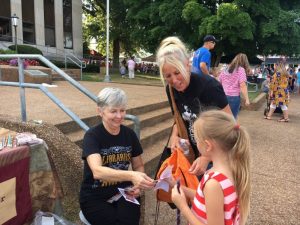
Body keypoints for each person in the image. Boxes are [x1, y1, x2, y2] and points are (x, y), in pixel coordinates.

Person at [156, 36, 232, 176]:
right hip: (192, 153)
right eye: (168, 76)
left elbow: (230, 126)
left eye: (177, 72)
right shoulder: (171, 89)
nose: (174, 80)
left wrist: (207, 157)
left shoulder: (209, 86)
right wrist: (174, 137)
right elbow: (178, 118)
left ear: (187, 65)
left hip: (216, 155)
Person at [79, 87, 155, 225]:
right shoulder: (92, 136)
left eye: (122, 110)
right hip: (94, 196)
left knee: (130, 221)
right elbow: (97, 171)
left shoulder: (129, 134)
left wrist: (137, 185)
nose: (119, 116)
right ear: (100, 112)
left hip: (124, 191)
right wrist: (132, 176)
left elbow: (138, 165)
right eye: (113, 111)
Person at [170, 110, 250, 225]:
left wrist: (182, 206)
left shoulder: (214, 183)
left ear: (207, 145)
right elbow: (204, 198)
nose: (196, 143)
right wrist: (178, 187)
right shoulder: (232, 169)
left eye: (197, 139)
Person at [218, 53, 251, 119]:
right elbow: (243, 85)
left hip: (223, 96)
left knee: (224, 117)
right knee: (232, 118)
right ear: (244, 62)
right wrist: (247, 99)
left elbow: (219, 83)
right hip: (233, 97)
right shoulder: (241, 70)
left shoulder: (225, 69)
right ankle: (231, 129)